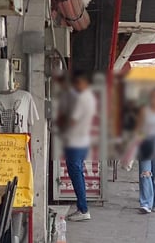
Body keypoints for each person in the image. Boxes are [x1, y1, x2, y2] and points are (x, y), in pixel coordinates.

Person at [62, 71, 97, 221]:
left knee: (75, 173)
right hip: (83, 140)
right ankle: (82, 207)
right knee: (79, 173)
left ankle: (83, 209)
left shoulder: (81, 98)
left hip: (75, 140)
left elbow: (73, 121)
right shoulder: (89, 98)